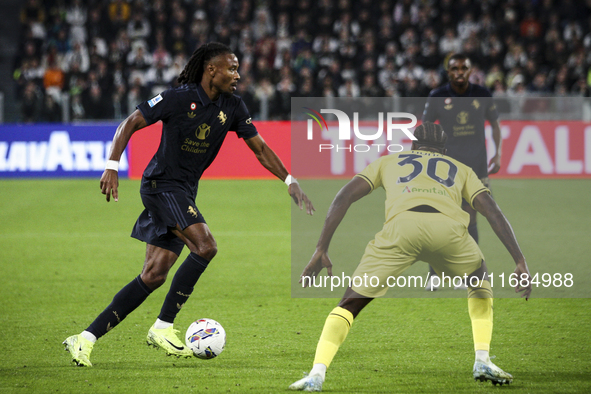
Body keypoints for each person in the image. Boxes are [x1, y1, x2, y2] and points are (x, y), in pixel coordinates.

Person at [63, 42, 315, 367]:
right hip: (160, 185)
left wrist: (289, 180)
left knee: (153, 275)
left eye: (237, 69)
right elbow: (130, 122)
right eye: (232, 68)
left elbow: (261, 149)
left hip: (183, 192)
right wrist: (111, 165)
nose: (238, 75)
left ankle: (84, 339)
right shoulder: (177, 98)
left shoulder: (233, 106)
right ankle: (164, 325)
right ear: (212, 70)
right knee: (206, 246)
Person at [289, 123, 531, 391]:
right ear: (445, 151)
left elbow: (344, 196)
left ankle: (317, 373)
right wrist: (519, 260)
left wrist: (321, 247)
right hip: (447, 232)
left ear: (413, 146)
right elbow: (492, 211)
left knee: (349, 303)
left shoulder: (388, 161)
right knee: (479, 279)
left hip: (400, 231)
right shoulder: (461, 169)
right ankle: (482, 358)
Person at [422, 53, 502, 291]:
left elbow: (495, 125)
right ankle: (434, 273)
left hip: (476, 168)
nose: (459, 72)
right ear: (448, 71)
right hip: (445, 169)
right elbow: (425, 128)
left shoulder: (482, 95)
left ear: (470, 70)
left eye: (463, 68)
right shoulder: (437, 96)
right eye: (454, 68)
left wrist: (498, 153)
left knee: (470, 219)